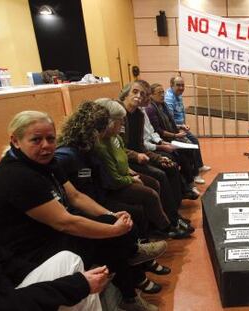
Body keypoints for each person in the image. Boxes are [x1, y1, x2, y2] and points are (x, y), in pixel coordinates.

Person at [0, 110, 165, 311]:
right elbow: (64, 222)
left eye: (50, 138)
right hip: (26, 256)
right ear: (16, 141)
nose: (46, 145)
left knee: (110, 226)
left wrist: (110, 215)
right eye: (36, 140)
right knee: (109, 239)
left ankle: (130, 284)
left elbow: (75, 196)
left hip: (45, 235)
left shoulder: (47, 162)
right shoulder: (17, 176)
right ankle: (131, 281)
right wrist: (114, 230)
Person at [56, 101, 171, 278]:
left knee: (136, 209)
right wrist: (110, 215)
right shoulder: (68, 156)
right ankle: (136, 276)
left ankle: (142, 259)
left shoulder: (92, 147)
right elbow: (77, 197)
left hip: (97, 198)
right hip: (88, 205)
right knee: (131, 215)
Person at [93, 98, 192, 239]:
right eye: (120, 121)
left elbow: (126, 156)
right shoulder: (101, 145)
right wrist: (131, 178)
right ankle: (165, 226)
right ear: (109, 122)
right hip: (118, 182)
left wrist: (131, 171)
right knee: (151, 191)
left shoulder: (117, 137)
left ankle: (170, 217)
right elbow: (113, 178)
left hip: (129, 170)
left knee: (157, 180)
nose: (122, 125)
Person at [0, 239, 105, 311]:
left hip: (10, 291)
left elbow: (10, 264)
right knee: (70, 261)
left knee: (67, 260)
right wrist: (78, 285)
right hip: (7, 302)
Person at [147, 83, 201, 192]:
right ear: (151, 95)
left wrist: (180, 126)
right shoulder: (151, 109)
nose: (162, 95)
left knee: (192, 146)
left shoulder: (163, 105)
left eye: (163, 92)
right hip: (165, 139)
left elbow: (170, 123)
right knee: (184, 154)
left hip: (171, 136)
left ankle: (191, 178)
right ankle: (189, 183)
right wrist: (175, 136)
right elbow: (159, 131)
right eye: (159, 93)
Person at [165, 76, 211, 184]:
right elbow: (169, 121)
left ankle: (199, 166)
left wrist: (184, 125)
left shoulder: (178, 95)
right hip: (175, 129)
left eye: (182, 85)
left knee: (195, 140)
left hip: (181, 127)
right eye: (178, 85)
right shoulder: (169, 99)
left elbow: (181, 112)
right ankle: (195, 174)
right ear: (172, 85)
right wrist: (180, 127)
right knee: (191, 145)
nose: (181, 88)